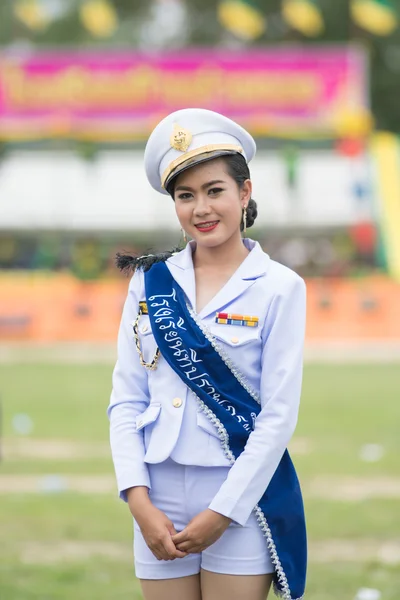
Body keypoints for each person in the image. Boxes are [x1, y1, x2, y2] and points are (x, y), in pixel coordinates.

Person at [108, 108, 307, 600]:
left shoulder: (281, 287)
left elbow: (278, 416)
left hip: (238, 493)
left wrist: (223, 511)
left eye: (214, 190)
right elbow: (126, 400)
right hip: (156, 496)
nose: (201, 208)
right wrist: (137, 499)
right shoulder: (148, 282)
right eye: (185, 195)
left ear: (244, 192)